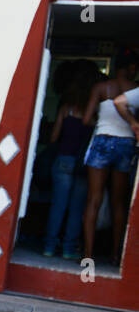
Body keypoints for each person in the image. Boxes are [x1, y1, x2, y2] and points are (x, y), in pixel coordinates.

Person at [80, 50, 138, 265]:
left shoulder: (101, 88)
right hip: (126, 143)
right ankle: (116, 255)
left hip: (103, 140)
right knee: (118, 202)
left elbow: (86, 119)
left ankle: (87, 254)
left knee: (94, 199)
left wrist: (102, 121)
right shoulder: (136, 90)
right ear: (132, 68)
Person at [42, 60, 97, 258]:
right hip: (84, 164)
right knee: (76, 209)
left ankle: (49, 246)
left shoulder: (67, 108)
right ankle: (68, 249)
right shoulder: (95, 113)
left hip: (63, 159)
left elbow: (54, 137)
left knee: (58, 205)